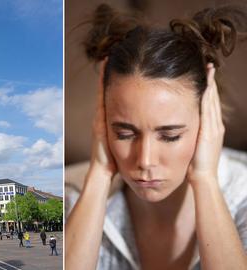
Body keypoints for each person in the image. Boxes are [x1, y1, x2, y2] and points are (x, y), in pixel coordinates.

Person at [66, 4, 247, 270]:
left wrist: (205, 180)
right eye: (124, 133)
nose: (145, 160)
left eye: (170, 136)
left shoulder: (242, 194)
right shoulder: (71, 194)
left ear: (207, 120)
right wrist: (100, 174)